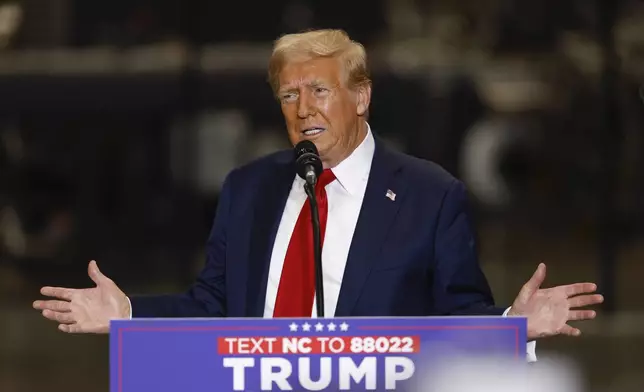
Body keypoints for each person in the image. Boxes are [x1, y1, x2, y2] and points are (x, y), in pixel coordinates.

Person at [33, 29, 603, 361]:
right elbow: (214, 309)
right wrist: (129, 315)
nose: (303, 109)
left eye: (319, 90)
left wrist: (513, 325)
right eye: (287, 96)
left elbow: (455, 319)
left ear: (361, 97)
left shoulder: (430, 196)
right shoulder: (248, 188)